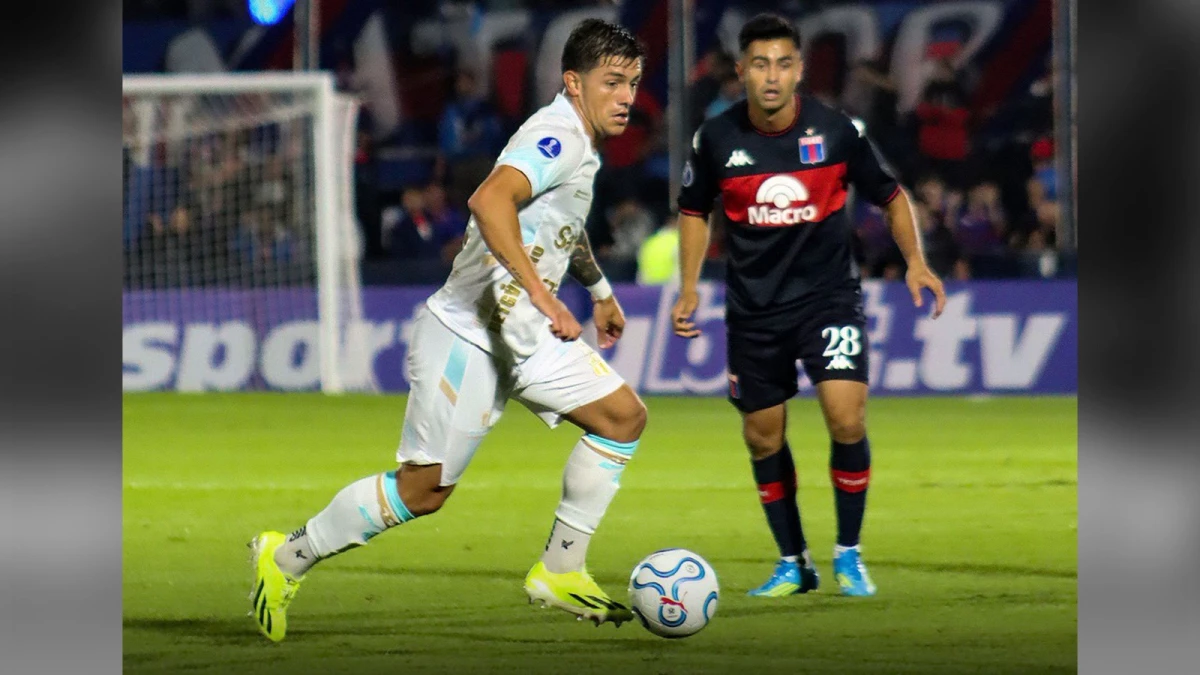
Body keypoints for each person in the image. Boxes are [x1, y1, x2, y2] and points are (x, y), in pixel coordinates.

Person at [248, 19, 647, 641]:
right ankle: (284, 556)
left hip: (526, 337)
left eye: (634, 83)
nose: (626, 96)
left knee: (623, 418)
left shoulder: (580, 144)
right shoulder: (556, 135)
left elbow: (563, 224)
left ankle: (560, 570)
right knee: (422, 491)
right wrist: (546, 297)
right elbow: (489, 202)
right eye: (613, 82)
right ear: (574, 82)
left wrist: (597, 289)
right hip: (470, 334)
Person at [672, 13, 946, 598]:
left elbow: (892, 196)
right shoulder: (716, 138)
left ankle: (849, 554)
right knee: (763, 437)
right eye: (760, 64)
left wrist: (916, 262)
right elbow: (694, 209)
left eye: (784, 63)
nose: (772, 76)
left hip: (827, 301)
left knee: (847, 417)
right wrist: (689, 286)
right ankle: (793, 561)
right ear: (741, 70)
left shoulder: (837, 131)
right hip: (753, 311)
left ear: (799, 69)